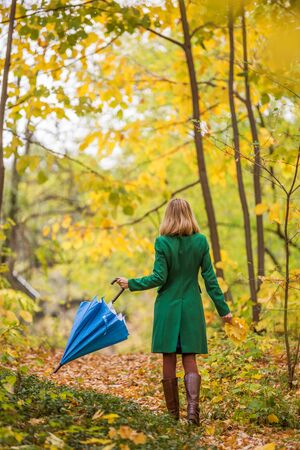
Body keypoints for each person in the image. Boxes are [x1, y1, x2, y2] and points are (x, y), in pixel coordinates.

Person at [116, 198, 232, 426]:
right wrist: (224, 310)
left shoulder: (162, 243)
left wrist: (131, 283)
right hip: (191, 307)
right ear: (190, 215)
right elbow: (210, 279)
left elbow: (159, 277)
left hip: (168, 308)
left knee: (168, 356)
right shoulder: (200, 242)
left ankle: (171, 418)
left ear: (168, 216)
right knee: (189, 356)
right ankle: (192, 415)